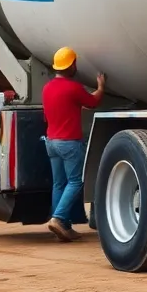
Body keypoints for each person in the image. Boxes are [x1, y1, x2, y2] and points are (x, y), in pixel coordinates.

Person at [42, 46, 105, 242]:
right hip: (69, 143)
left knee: (59, 183)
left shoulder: (47, 88)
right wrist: (101, 86)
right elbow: (93, 102)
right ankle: (59, 218)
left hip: (51, 142)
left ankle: (64, 227)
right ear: (71, 66)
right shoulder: (73, 88)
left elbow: (59, 109)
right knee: (76, 181)